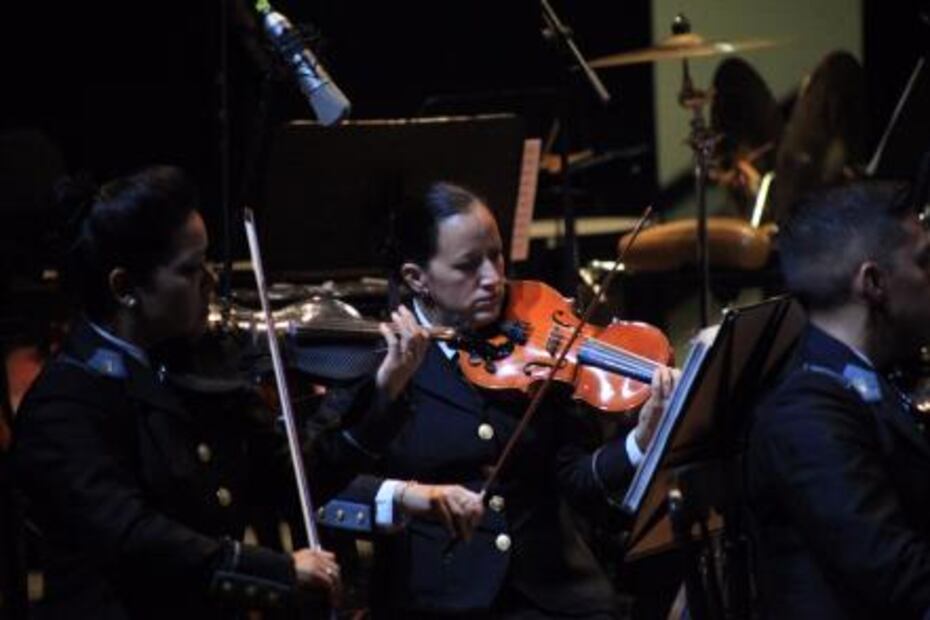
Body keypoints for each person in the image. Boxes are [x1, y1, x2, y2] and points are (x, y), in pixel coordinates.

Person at [10, 165, 433, 618]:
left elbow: (291, 480)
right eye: (190, 270)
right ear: (125, 287)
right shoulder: (67, 403)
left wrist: (381, 394)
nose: (212, 283)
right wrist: (274, 569)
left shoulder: (195, 367)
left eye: (208, 260)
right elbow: (133, 536)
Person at [319, 182, 677, 618]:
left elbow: (576, 478)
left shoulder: (537, 337)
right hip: (440, 603)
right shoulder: (375, 359)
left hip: (558, 599)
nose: (493, 278)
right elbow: (324, 480)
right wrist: (408, 493)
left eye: (496, 255)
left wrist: (642, 439)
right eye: (468, 266)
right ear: (417, 278)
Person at [745, 181, 930, 618]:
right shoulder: (806, 418)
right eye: (924, 263)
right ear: (874, 282)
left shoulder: (865, 374)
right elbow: (902, 581)